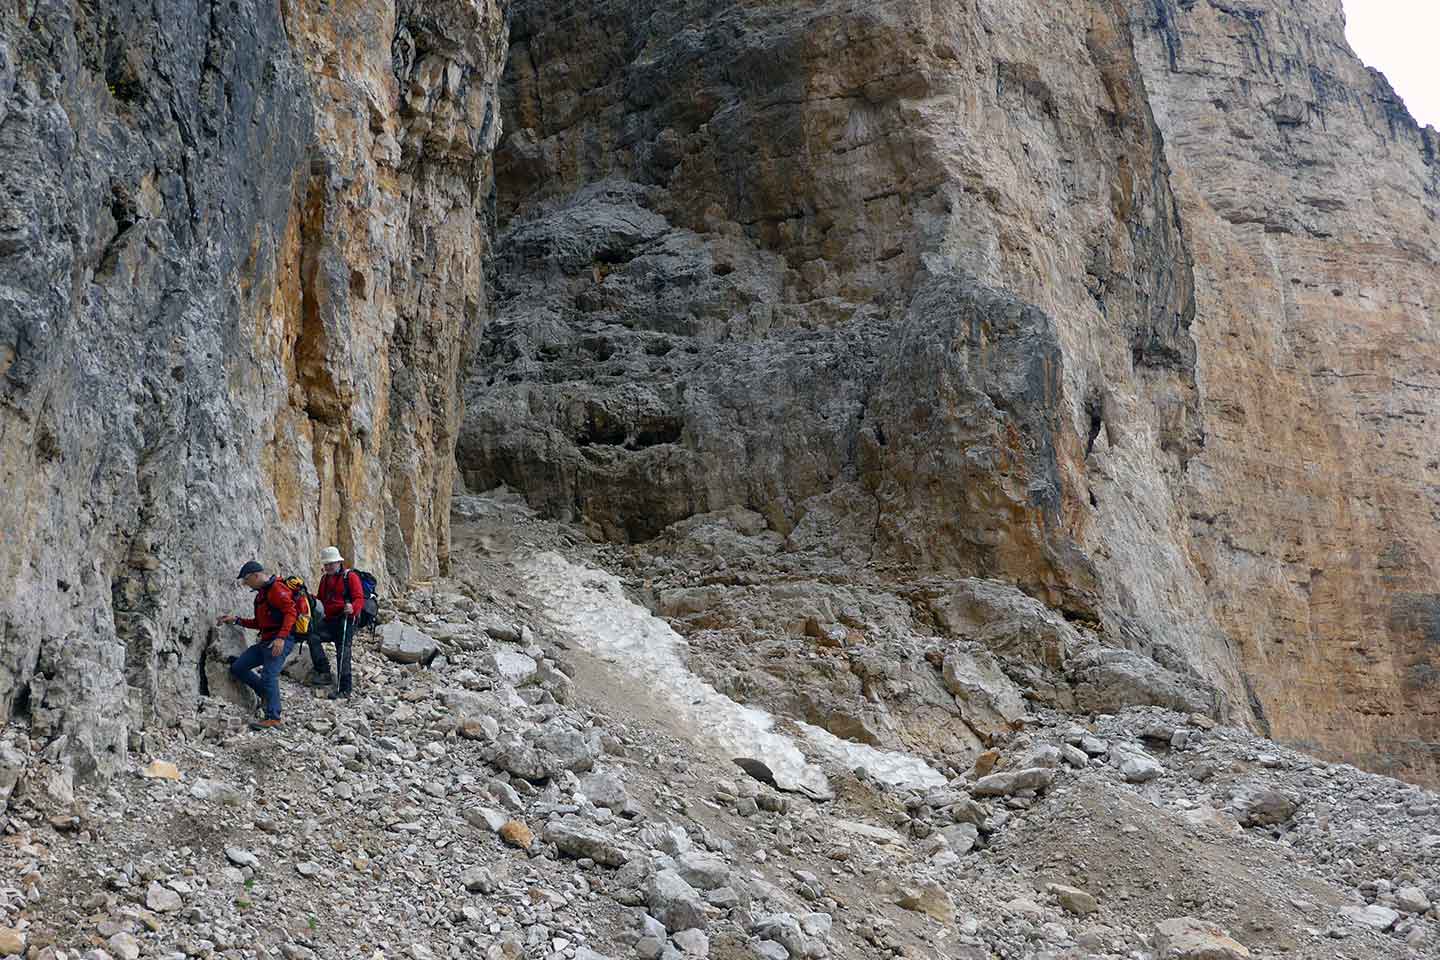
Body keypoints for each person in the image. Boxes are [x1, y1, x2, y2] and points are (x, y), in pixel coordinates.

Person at [217, 560, 297, 730]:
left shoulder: (276, 589)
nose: (245, 584)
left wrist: (281, 638)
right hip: (267, 641)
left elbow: (291, 613)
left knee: (269, 674)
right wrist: (237, 620)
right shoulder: (261, 594)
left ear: (256, 575)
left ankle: (273, 717)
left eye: (246, 580)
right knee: (238, 667)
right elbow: (260, 623)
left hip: (279, 640)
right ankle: (265, 693)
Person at [315, 546, 363, 699]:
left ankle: (345, 688)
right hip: (329, 620)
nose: (328, 566)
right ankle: (324, 671)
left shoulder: (350, 577)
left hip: (345, 620)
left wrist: (352, 608)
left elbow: (359, 598)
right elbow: (320, 600)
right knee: (312, 636)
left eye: (331, 563)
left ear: (338, 562)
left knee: (343, 652)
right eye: (326, 564)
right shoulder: (325, 579)